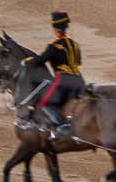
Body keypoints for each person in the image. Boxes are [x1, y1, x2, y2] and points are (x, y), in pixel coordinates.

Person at [31, 10, 85, 143]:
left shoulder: (54, 46)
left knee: (44, 103)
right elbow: (78, 62)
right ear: (65, 28)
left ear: (55, 29)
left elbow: (40, 61)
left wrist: (28, 61)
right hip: (79, 80)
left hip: (64, 80)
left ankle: (62, 125)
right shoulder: (75, 45)